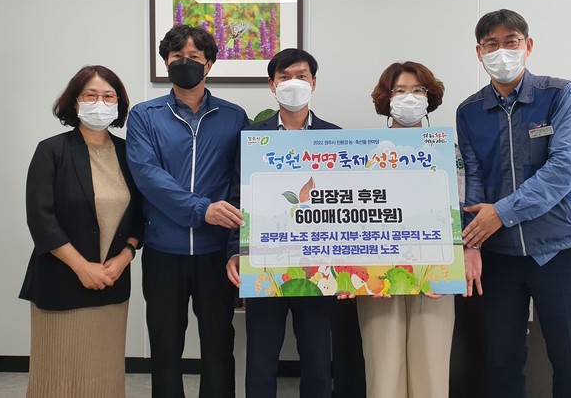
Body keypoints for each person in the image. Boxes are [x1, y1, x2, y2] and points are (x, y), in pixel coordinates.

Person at [456, 9, 571, 398]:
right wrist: (471, 243)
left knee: (570, 363)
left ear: (528, 46)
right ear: (479, 53)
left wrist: (501, 213)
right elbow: (472, 177)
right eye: (491, 44)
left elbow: (562, 171)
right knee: (502, 362)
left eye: (510, 42)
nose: (501, 52)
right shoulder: (469, 111)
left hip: (558, 248)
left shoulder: (559, 95)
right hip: (499, 256)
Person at [225, 49, 365, 398]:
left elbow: (344, 204)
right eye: (284, 77)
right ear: (272, 84)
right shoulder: (252, 137)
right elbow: (238, 197)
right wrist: (234, 251)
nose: (293, 83)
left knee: (317, 359)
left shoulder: (334, 136)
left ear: (314, 83)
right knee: (261, 359)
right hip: (264, 262)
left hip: (319, 265)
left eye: (301, 76)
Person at [126, 25, 248, 397]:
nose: (185, 62)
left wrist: (236, 245)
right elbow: (147, 175)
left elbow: (240, 181)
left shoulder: (233, 116)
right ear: (166, 62)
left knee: (218, 345)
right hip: (164, 250)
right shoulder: (145, 116)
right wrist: (201, 209)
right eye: (177, 56)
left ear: (209, 64)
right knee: (165, 348)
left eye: (194, 56)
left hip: (215, 253)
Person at [354, 61, 480, 398]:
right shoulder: (364, 152)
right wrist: (354, 271)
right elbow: (354, 216)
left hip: (436, 269)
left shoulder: (448, 150)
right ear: (386, 98)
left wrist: (452, 264)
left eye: (417, 90)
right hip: (378, 273)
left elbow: (460, 209)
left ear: (429, 97)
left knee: (431, 368)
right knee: (383, 369)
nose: (409, 97)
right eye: (399, 90)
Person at [19, 65, 144, 398]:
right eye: (90, 95)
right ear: (75, 102)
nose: (99, 103)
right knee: (58, 376)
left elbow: (140, 215)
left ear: (119, 104)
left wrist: (125, 256)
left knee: (103, 375)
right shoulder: (52, 151)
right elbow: (41, 218)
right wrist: (81, 266)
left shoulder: (129, 154)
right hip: (62, 281)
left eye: (108, 96)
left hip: (112, 282)